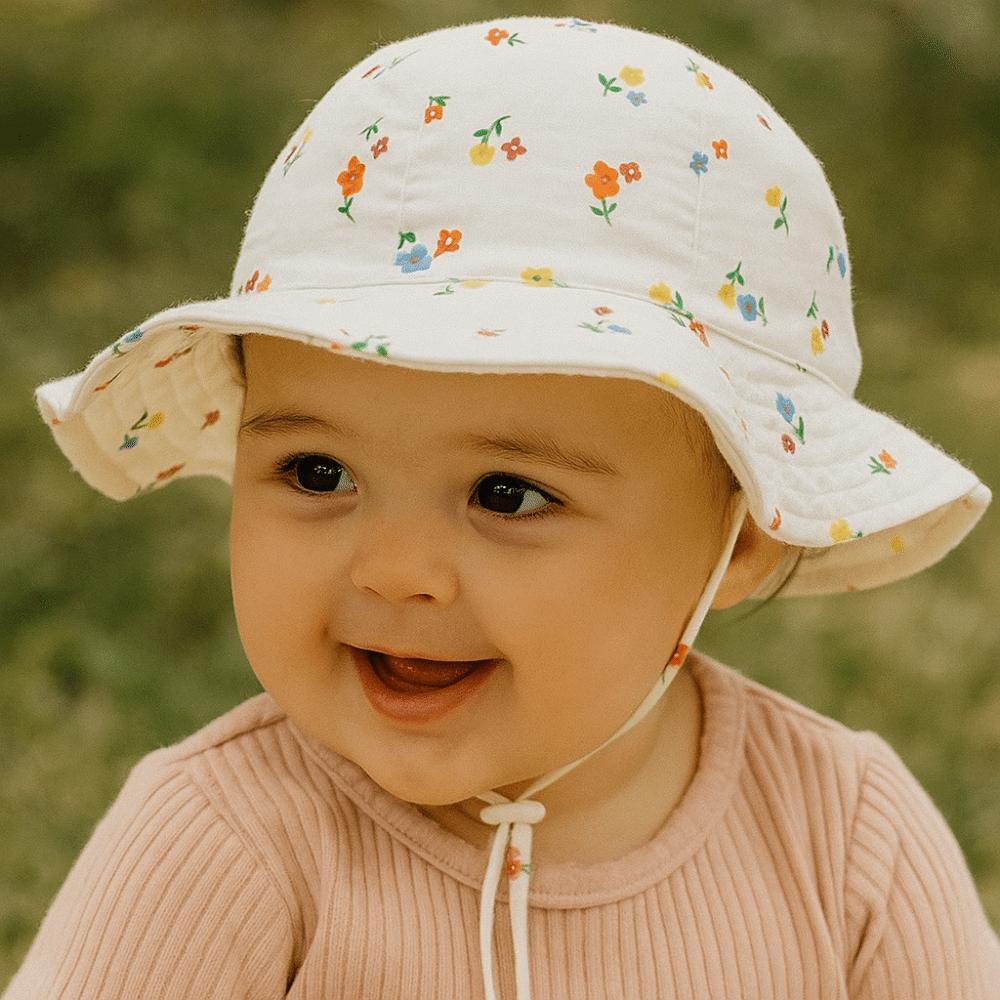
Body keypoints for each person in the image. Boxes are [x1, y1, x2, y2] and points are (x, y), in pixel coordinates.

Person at [5, 15, 997, 1000]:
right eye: (317, 473)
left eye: (506, 495)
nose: (395, 569)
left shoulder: (846, 840)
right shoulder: (220, 843)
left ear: (739, 538)